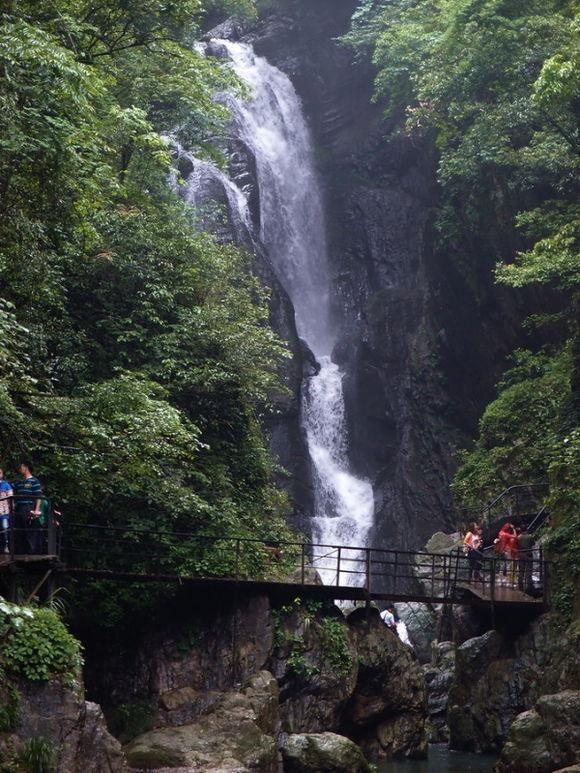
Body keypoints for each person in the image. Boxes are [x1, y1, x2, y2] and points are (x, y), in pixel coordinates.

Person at [13, 461, 43, 555]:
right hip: (19, 508)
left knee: (29, 530)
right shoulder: (20, 482)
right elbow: (10, 486)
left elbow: (38, 496)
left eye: (21, 467)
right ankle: (21, 552)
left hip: (28, 507)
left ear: (26, 468)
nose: (20, 469)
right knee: (19, 530)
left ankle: (32, 552)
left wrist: (36, 510)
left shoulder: (34, 481)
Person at [517, 527, 535, 594]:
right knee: (529, 571)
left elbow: (517, 545)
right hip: (528, 555)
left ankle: (520, 586)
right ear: (526, 530)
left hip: (521, 555)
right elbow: (533, 544)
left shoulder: (518, 537)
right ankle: (529, 586)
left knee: (521, 571)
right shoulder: (530, 536)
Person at [0, 468, 13, 553]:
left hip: (4, 512)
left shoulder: (6, 485)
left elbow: (11, 497)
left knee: (5, 529)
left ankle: (6, 546)